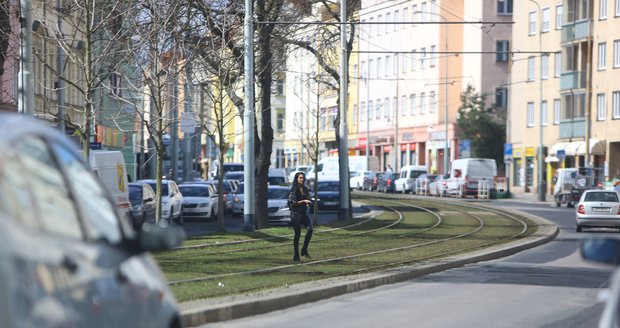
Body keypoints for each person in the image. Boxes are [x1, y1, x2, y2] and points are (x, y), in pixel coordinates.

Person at [288, 172, 314, 263]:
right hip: (295, 214)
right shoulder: (293, 190)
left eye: (303, 178)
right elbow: (293, 202)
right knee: (297, 234)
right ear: (296, 179)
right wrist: (304, 201)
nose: (301, 180)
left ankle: (304, 249)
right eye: (300, 178)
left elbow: (309, 198)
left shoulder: (305, 188)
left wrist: (309, 202)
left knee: (310, 229)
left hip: (303, 213)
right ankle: (296, 255)